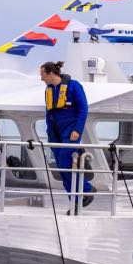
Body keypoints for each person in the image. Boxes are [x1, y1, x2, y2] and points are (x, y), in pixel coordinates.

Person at [41, 61, 96, 207]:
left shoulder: (74, 86)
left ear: (50, 73)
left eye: (42, 75)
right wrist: (49, 131)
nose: (41, 79)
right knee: (61, 167)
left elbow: (83, 109)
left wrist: (77, 130)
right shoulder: (48, 90)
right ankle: (75, 200)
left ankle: (87, 189)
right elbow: (48, 113)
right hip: (55, 133)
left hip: (70, 132)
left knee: (66, 164)